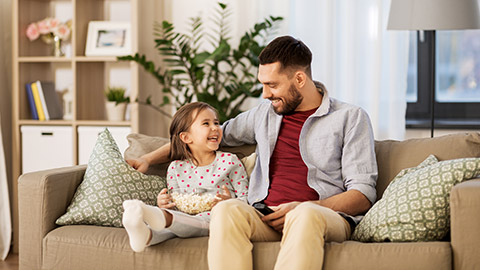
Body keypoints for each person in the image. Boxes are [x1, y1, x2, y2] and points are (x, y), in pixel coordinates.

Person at [127, 36, 377, 270]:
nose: (265, 94)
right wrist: (148, 158)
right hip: (264, 215)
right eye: (263, 85)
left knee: (304, 214)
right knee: (226, 210)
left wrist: (309, 205)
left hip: (321, 215)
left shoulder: (349, 117)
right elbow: (207, 137)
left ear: (300, 79)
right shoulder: (264, 114)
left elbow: (363, 193)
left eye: (272, 85)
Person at [122, 102, 248, 253]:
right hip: (184, 220)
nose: (215, 127)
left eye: (216, 122)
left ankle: (156, 216)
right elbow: (176, 204)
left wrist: (230, 203)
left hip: (218, 219)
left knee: (198, 222)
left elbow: (245, 199)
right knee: (172, 228)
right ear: (186, 137)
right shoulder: (176, 168)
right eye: (206, 123)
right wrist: (165, 204)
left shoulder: (229, 161)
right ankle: (145, 234)